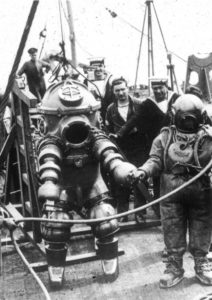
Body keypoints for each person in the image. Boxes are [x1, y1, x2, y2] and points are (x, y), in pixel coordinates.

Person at [131, 94, 212, 288]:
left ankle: (202, 263)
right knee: (171, 228)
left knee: (202, 227)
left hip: (201, 190)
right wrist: (143, 171)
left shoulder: (208, 137)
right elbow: (155, 160)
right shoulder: (165, 137)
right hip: (171, 191)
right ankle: (175, 267)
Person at [114, 78, 179, 216]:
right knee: (156, 177)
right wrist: (120, 134)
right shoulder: (148, 104)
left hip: (176, 144)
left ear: (166, 87)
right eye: (155, 88)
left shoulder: (176, 99)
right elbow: (134, 119)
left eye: (160, 88)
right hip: (157, 145)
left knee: (175, 175)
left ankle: (176, 207)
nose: (158, 91)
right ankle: (159, 210)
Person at [105, 77, 148, 221]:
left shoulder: (139, 104)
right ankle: (122, 213)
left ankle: (140, 213)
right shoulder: (111, 109)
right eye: (117, 90)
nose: (121, 93)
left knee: (139, 178)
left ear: (127, 88)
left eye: (123, 89)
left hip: (138, 146)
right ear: (113, 92)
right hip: (121, 147)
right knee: (120, 179)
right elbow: (108, 128)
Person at [85, 58, 114, 124]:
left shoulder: (110, 80)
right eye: (94, 67)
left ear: (104, 67)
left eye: (100, 66)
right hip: (93, 115)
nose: (98, 69)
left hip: (109, 114)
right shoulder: (86, 81)